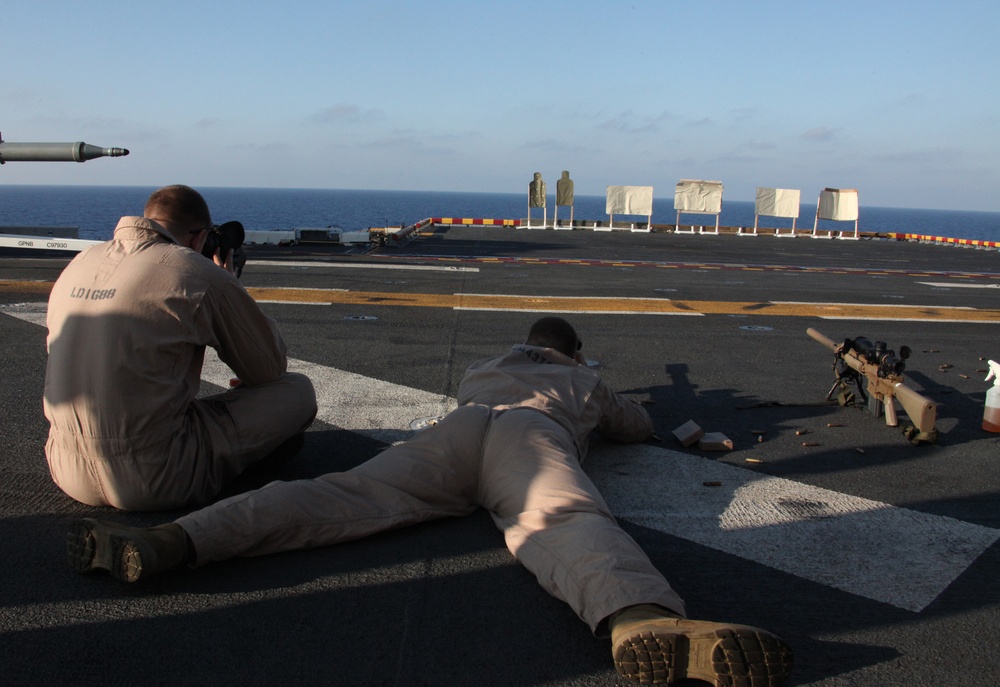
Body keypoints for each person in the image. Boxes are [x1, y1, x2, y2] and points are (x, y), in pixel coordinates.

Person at [67, 316, 792, 685]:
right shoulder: (579, 380)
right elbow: (633, 427)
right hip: (530, 439)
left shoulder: (485, 364)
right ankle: (641, 620)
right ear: (571, 350)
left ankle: (177, 539)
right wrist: (602, 388)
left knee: (329, 495)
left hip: (458, 431)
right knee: (565, 521)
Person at [44, 185, 317, 511]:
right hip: (157, 477)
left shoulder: (81, 261)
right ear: (199, 238)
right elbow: (269, 368)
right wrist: (229, 285)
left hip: (66, 467)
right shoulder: (196, 271)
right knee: (298, 390)